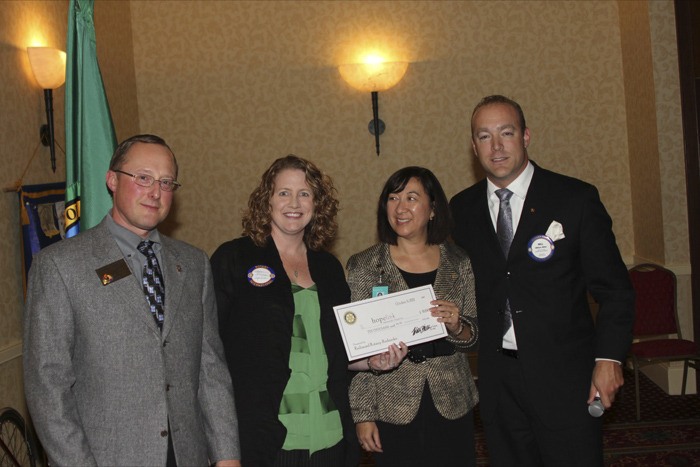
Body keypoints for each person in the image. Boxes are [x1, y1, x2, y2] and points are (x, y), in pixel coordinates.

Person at [23, 134, 240, 467]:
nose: (155, 192)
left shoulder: (194, 264)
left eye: (166, 182)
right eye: (143, 178)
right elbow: (48, 387)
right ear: (112, 180)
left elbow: (210, 370)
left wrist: (226, 456)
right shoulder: (60, 266)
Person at [450, 95, 635, 466]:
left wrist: (609, 358)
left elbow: (615, 290)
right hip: (498, 380)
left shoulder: (574, 199)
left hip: (566, 377)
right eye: (484, 136)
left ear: (526, 136)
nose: (497, 146)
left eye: (506, 132)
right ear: (473, 147)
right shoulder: (462, 209)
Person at [211, 155, 359, 467]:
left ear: (317, 204)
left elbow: (339, 349)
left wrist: (374, 359)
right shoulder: (234, 258)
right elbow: (209, 354)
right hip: (268, 440)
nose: (295, 202)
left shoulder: (329, 267)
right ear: (266, 201)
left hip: (330, 436)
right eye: (284, 193)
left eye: (305, 193)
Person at [347, 166, 479, 467]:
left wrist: (458, 327)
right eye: (393, 198)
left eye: (411, 197)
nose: (401, 207)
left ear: (433, 209)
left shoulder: (459, 263)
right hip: (392, 402)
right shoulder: (365, 266)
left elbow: (474, 338)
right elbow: (359, 350)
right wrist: (363, 414)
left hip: (452, 399)